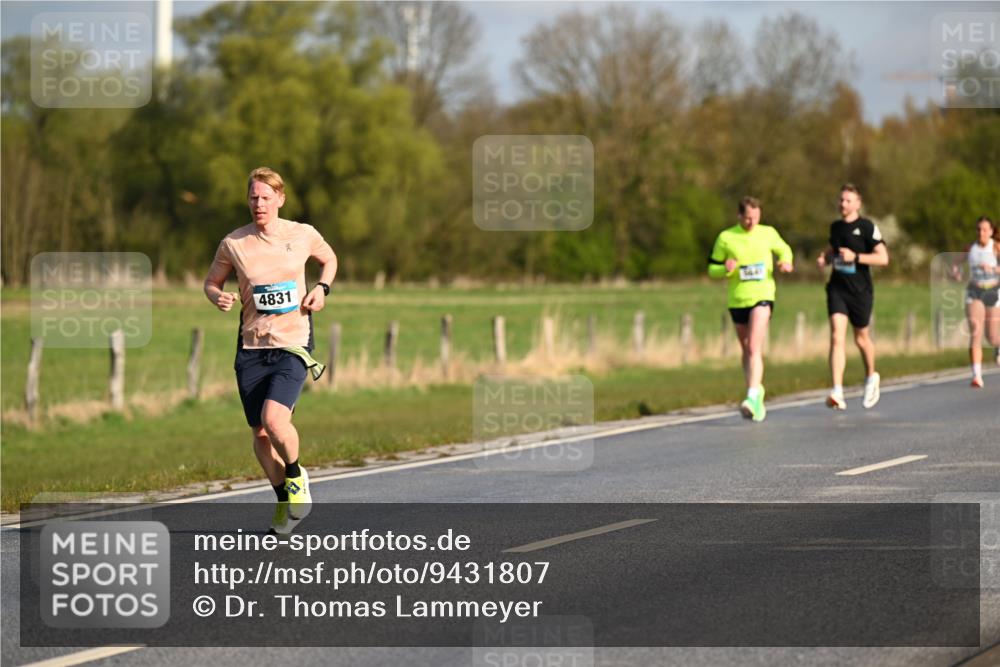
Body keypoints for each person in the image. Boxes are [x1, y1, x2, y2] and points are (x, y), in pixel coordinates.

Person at [204, 167, 337, 534]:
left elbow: (330, 260)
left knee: (276, 420)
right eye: (253, 197)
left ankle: (295, 477)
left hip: (293, 342)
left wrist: (322, 289)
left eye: (265, 197)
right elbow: (211, 282)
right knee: (260, 434)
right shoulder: (234, 243)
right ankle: (283, 499)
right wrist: (218, 296)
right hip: (251, 345)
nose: (258, 204)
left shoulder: (303, 234)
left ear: (280, 199)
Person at [709, 196, 794, 422]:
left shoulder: (768, 233)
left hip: (763, 296)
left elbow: (784, 249)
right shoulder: (726, 237)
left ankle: (752, 394)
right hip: (737, 299)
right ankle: (756, 395)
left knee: (755, 345)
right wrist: (725, 269)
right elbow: (712, 268)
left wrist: (786, 261)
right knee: (746, 349)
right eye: (747, 217)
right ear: (739, 216)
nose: (751, 222)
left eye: (756, 217)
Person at [817, 184, 889, 410]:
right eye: (841, 200)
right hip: (837, 289)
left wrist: (855, 256)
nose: (843, 204)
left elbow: (883, 258)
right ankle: (837, 391)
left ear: (858, 203)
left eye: (848, 200)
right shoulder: (835, 227)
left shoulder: (867, 227)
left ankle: (871, 377)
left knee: (861, 338)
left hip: (861, 291)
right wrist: (825, 258)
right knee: (837, 336)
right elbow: (833, 248)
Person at [952, 216, 1000, 387]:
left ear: (992, 231)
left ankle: (997, 347)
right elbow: (956, 263)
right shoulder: (971, 248)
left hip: (993, 290)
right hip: (975, 290)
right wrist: (956, 272)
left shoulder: (996, 247)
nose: (981, 233)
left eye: (985, 229)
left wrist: (994, 269)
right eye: (979, 229)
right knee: (975, 332)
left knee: (993, 336)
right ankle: (977, 376)